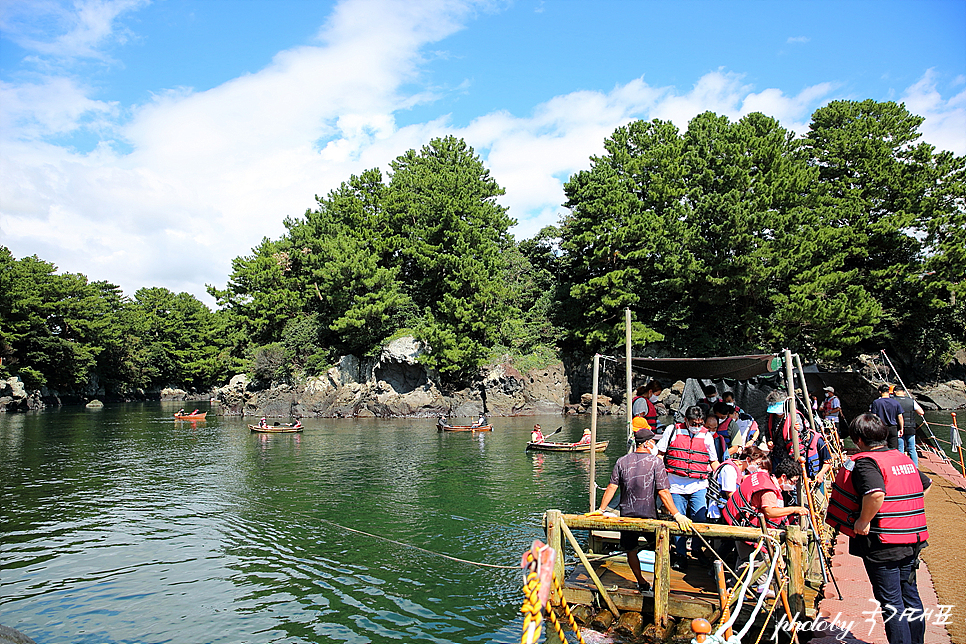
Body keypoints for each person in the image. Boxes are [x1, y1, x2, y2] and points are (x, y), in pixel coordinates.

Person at [826, 413, 931, 644]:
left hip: (883, 543)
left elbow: (875, 493)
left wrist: (864, 520)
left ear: (859, 440)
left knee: (892, 602)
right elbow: (925, 484)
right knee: (910, 596)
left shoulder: (865, 462)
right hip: (911, 539)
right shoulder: (901, 457)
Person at [593, 427, 685, 592]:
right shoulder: (656, 462)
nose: (654, 444)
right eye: (653, 441)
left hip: (627, 514)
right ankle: (659, 583)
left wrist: (601, 509)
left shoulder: (622, 461)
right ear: (648, 443)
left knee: (631, 550)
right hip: (648, 515)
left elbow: (612, 487)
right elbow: (663, 492)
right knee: (660, 549)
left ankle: (641, 581)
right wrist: (677, 514)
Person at [723, 457, 809, 585]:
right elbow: (769, 512)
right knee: (760, 561)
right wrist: (794, 510)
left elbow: (745, 479)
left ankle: (744, 588)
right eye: (793, 481)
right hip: (747, 529)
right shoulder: (769, 491)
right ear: (783, 477)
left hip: (737, 521)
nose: (793, 485)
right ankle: (743, 589)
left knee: (745, 561)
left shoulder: (762, 475)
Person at [657, 405, 719, 569]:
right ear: (686, 420)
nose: (696, 427)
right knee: (678, 520)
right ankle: (680, 554)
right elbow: (660, 454)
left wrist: (722, 475)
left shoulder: (706, 436)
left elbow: (713, 461)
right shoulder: (673, 431)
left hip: (698, 485)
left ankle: (698, 549)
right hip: (676, 485)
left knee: (700, 518)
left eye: (700, 423)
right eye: (693, 423)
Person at [893, 386, 925, 468]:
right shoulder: (911, 401)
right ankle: (915, 467)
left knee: (900, 449)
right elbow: (921, 412)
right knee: (912, 448)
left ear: (895, 392)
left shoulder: (893, 401)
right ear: (903, 392)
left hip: (899, 427)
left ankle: (901, 466)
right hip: (910, 427)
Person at [870, 384, 904, 450]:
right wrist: (901, 428)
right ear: (888, 391)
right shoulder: (895, 402)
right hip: (893, 428)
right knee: (893, 449)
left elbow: (874, 416)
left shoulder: (876, 402)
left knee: (880, 447)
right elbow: (900, 417)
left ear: (880, 392)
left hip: (881, 427)